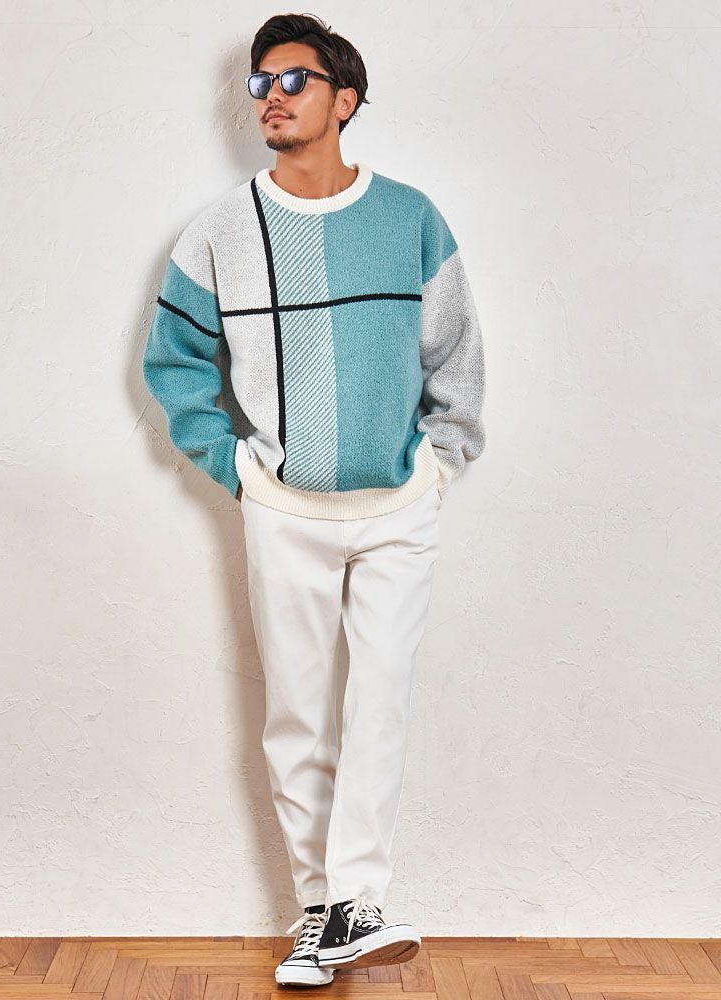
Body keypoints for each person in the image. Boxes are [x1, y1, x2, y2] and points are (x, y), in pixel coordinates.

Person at [142, 11, 485, 988]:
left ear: (346, 99)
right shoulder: (220, 230)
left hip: (397, 509)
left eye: (294, 80)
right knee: (296, 715)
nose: (272, 97)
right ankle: (317, 914)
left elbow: (456, 352)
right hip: (284, 511)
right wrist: (235, 466)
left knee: (379, 704)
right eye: (260, 83)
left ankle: (355, 904)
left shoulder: (411, 219)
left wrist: (441, 460)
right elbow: (172, 361)